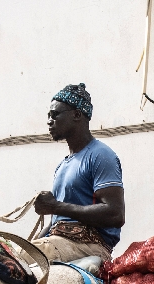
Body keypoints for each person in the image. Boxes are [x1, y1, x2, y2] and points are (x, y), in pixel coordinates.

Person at [32, 83, 125, 264]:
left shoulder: (101, 155)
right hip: (59, 242)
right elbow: (56, 222)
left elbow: (115, 214)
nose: (49, 121)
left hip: (90, 246)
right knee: (14, 254)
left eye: (55, 114)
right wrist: (31, 243)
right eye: (48, 116)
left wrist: (56, 206)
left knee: (22, 258)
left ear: (76, 115)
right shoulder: (62, 165)